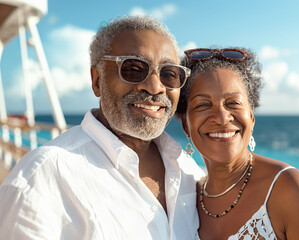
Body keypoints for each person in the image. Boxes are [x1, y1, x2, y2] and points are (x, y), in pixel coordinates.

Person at [0, 16, 204, 239]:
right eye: (133, 69)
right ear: (97, 80)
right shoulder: (41, 178)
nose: (155, 87)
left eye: (168, 74)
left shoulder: (188, 171)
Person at [176, 48, 299, 240]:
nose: (221, 118)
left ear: (251, 116)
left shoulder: (291, 189)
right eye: (203, 105)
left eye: (233, 103)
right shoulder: (187, 200)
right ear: (186, 125)